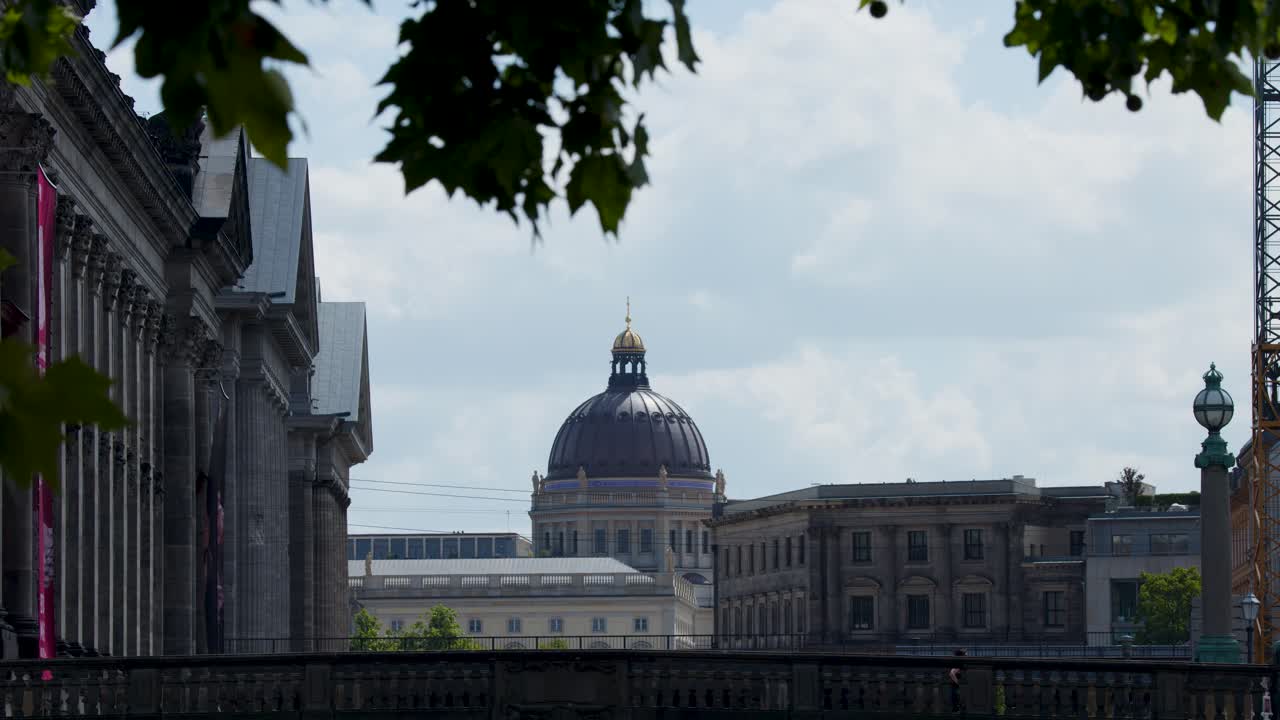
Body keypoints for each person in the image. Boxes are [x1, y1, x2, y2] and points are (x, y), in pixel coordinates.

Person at [949, 648, 966, 712]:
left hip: (955, 687)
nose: (966, 655)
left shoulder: (957, 662)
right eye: (965, 654)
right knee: (957, 704)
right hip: (956, 688)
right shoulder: (958, 663)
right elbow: (951, 673)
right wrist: (958, 683)